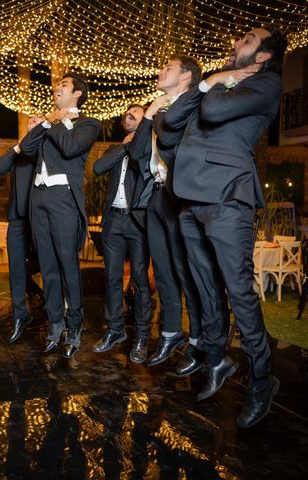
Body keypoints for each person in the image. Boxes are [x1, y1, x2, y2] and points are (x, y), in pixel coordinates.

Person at [168, 26, 287, 428]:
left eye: (248, 40)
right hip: (189, 197)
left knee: (238, 290)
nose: (236, 40)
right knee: (203, 285)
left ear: (263, 56)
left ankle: (261, 378)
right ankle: (217, 359)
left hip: (227, 198)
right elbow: (174, 121)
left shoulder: (267, 84)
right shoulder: (222, 80)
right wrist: (208, 83)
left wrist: (215, 84)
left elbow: (214, 112)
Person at [129, 54, 203, 375]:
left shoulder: (192, 104)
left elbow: (173, 138)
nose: (161, 71)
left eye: (168, 68)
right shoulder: (158, 109)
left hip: (182, 195)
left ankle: (198, 340)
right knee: (162, 270)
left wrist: (159, 112)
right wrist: (147, 115)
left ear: (186, 76)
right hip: (157, 195)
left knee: (186, 269)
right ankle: (171, 334)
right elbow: (136, 151)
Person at [18, 73, 100, 358]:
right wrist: (38, 126)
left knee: (67, 265)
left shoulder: (89, 124)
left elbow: (70, 147)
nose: (57, 88)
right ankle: (55, 322)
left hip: (64, 198)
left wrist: (53, 121)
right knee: (48, 266)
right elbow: (27, 149)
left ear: (77, 94)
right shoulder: (48, 123)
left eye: (64, 85)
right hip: (39, 199)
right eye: (57, 85)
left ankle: (75, 325)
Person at [91, 105, 152, 363]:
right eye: (126, 114)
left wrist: (134, 145)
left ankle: (142, 335)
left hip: (137, 222)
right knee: (112, 278)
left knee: (140, 280)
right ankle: (115, 330)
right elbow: (98, 167)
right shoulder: (114, 149)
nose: (128, 115)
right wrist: (124, 146)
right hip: (114, 221)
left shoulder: (149, 149)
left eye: (135, 113)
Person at [0, 116, 41, 343]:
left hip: (41, 218)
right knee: (15, 269)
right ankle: (20, 316)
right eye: (30, 120)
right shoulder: (19, 151)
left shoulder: (47, 147)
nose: (33, 120)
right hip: (17, 219)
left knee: (52, 266)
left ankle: (55, 316)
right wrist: (18, 146)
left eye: (38, 119)